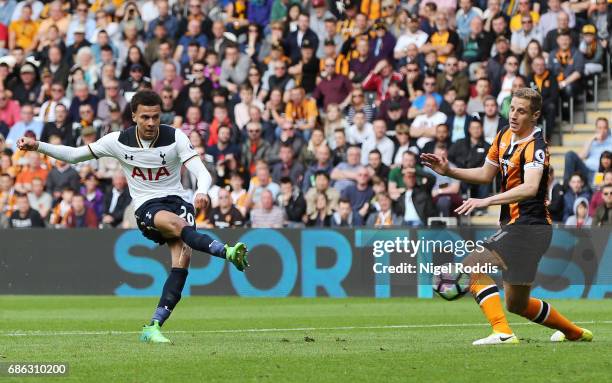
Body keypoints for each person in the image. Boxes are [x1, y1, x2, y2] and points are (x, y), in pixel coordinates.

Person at [17, 90, 249, 344]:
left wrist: (202, 191)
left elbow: (202, 173)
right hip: (147, 205)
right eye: (146, 117)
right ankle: (226, 252)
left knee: (181, 262)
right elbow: (74, 155)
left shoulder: (175, 137)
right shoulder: (118, 141)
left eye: (156, 117)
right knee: (176, 224)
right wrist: (38, 146)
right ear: (134, 116)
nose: (151, 123)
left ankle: (153, 326)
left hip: (179, 200)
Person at [421, 87, 592, 345]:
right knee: (517, 304)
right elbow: (485, 174)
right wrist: (449, 171)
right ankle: (575, 333)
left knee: (471, 266)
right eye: (512, 108)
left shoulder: (536, 146)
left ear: (534, 116)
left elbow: (531, 187)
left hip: (528, 226)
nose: (513, 115)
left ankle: (502, 332)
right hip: (519, 227)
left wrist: (487, 200)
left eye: (521, 111)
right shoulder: (503, 135)